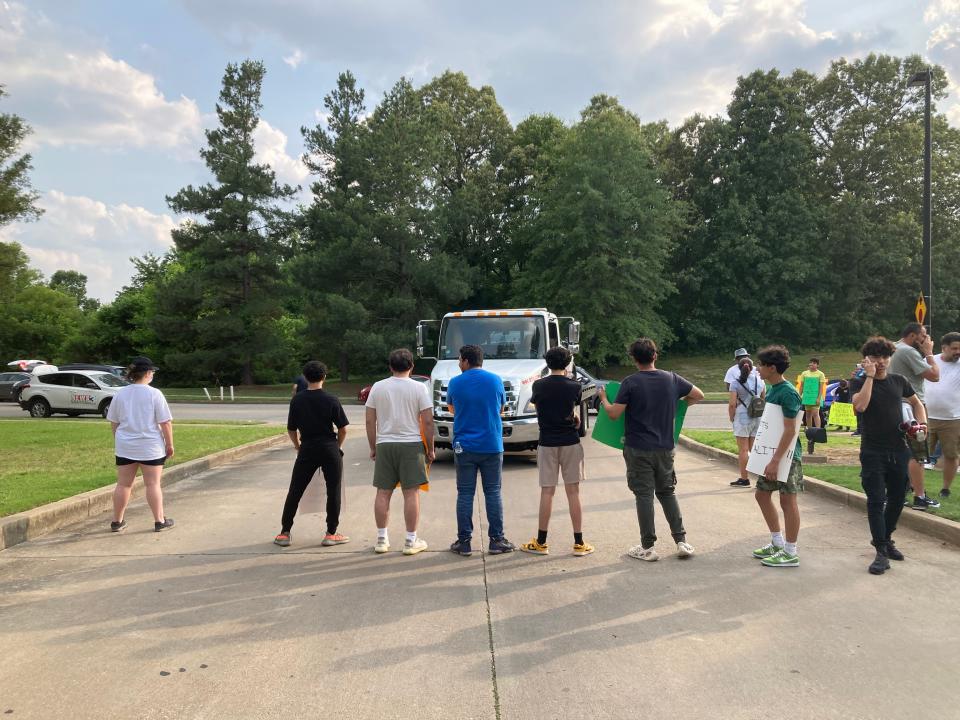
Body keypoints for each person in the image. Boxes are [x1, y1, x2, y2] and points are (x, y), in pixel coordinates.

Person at [599, 338, 704, 561]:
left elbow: (614, 414)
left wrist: (603, 400)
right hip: (665, 448)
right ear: (655, 355)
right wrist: (680, 404)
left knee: (644, 495)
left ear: (634, 359)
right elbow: (699, 395)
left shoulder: (630, 382)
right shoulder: (672, 378)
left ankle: (647, 547)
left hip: (638, 448)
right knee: (667, 492)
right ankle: (682, 541)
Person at [851, 336, 928, 575]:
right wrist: (870, 376)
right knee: (876, 500)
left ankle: (886, 539)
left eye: (885, 357)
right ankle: (881, 552)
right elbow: (860, 406)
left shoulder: (899, 381)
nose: (881, 361)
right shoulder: (859, 382)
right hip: (873, 450)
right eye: (875, 357)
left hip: (899, 449)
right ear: (866, 360)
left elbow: (917, 403)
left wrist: (922, 425)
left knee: (896, 499)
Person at [519, 346, 594, 557]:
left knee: (547, 491)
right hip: (570, 442)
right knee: (573, 492)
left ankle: (541, 542)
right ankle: (579, 543)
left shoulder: (539, 385)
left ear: (547, 362)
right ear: (568, 363)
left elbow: (538, 406)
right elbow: (573, 409)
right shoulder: (574, 386)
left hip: (547, 442)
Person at [446, 344, 515, 556]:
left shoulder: (455, 383)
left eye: (459, 360)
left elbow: (451, 409)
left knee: (465, 493)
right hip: (492, 445)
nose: (459, 363)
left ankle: (464, 542)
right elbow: (501, 409)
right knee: (493, 492)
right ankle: (497, 540)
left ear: (466, 360)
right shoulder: (496, 380)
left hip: (464, 446)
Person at [365, 348, 434, 555]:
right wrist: (430, 449)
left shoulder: (378, 387)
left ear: (390, 366)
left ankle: (381, 539)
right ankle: (410, 541)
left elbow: (370, 420)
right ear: (411, 366)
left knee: (383, 492)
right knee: (410, 493)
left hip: (385, 443)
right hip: (411, 444)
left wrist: (373, 446)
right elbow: (428, 421)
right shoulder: (419, 388)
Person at [274, 361, 350, 548]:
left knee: (295, 490)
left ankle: (285, 532)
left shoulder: (297, 400)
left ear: (305, 377)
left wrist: (298, 446)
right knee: (333, 490)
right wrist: (337, 446)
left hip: (307, 447)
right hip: (329, 447)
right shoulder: (331, 399)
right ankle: (331, 533)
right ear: (324, 376)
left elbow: (291, 429)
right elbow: (343, 429)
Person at [107, 356, 175, 533]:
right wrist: (169, 444)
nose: (152, 374)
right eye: (151, 371)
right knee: (152, 484)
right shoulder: (154, 394)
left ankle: (117, 521)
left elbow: (114, 422)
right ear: (147, 373)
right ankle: (159, 521)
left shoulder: (120, 393)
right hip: (150, 446)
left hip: (125, 445)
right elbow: (165, 422)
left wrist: (120, 439)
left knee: (123, 484)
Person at [750, 345, 804, 567]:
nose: (758, 368)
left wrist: (775, 461)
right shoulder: (772, 389)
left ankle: (790, 551)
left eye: (761, 365)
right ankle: (777, 542)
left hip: (787, 457)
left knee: (787, 501)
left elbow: (791, 430)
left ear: (772, 368)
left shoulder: (788, 392)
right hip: (771, 453)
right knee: (762, 495)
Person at [889, 322, 941, 509]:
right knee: (917, 452)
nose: (927, 339)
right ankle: (919, 497)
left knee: (898, 452)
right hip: (911, 406)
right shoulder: (908, 352)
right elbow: (934, 375)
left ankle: (897, 493)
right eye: (924, 336)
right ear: (913, 336)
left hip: (894, 406)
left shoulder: (894, 348)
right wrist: (928, 353)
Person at [924, 332, 960, 499]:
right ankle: (915, 486)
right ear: (944, 348)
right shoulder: (930, 361)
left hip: (953, 419)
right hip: (927, 417)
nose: (958, 351)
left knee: (951, 455)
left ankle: (945, 489)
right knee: (919, 454)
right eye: (954, 348)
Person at [728, 356, 765, 487]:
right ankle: (761, 479)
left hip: (743, 416)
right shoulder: (760, 380)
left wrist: (731, 417)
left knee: (743, 450)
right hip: (757, 416)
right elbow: (762, 398)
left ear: (739, 367)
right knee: (754, 449)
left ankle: (744, 479)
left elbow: (732, 404)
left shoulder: (735, 383)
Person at [795, 358, 827, 429]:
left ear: (817, 365)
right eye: (811, 362)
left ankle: (818, 430)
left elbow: (821, 387)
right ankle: (809, 429)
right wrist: (799, 396)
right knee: (808, 414)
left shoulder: (820, 374)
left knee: (815, 413)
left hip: (815, 397)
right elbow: (801, 386)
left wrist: (819, 398)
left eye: (814, 363)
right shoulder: (804, 373)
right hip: (807, 397)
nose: (811, 364)